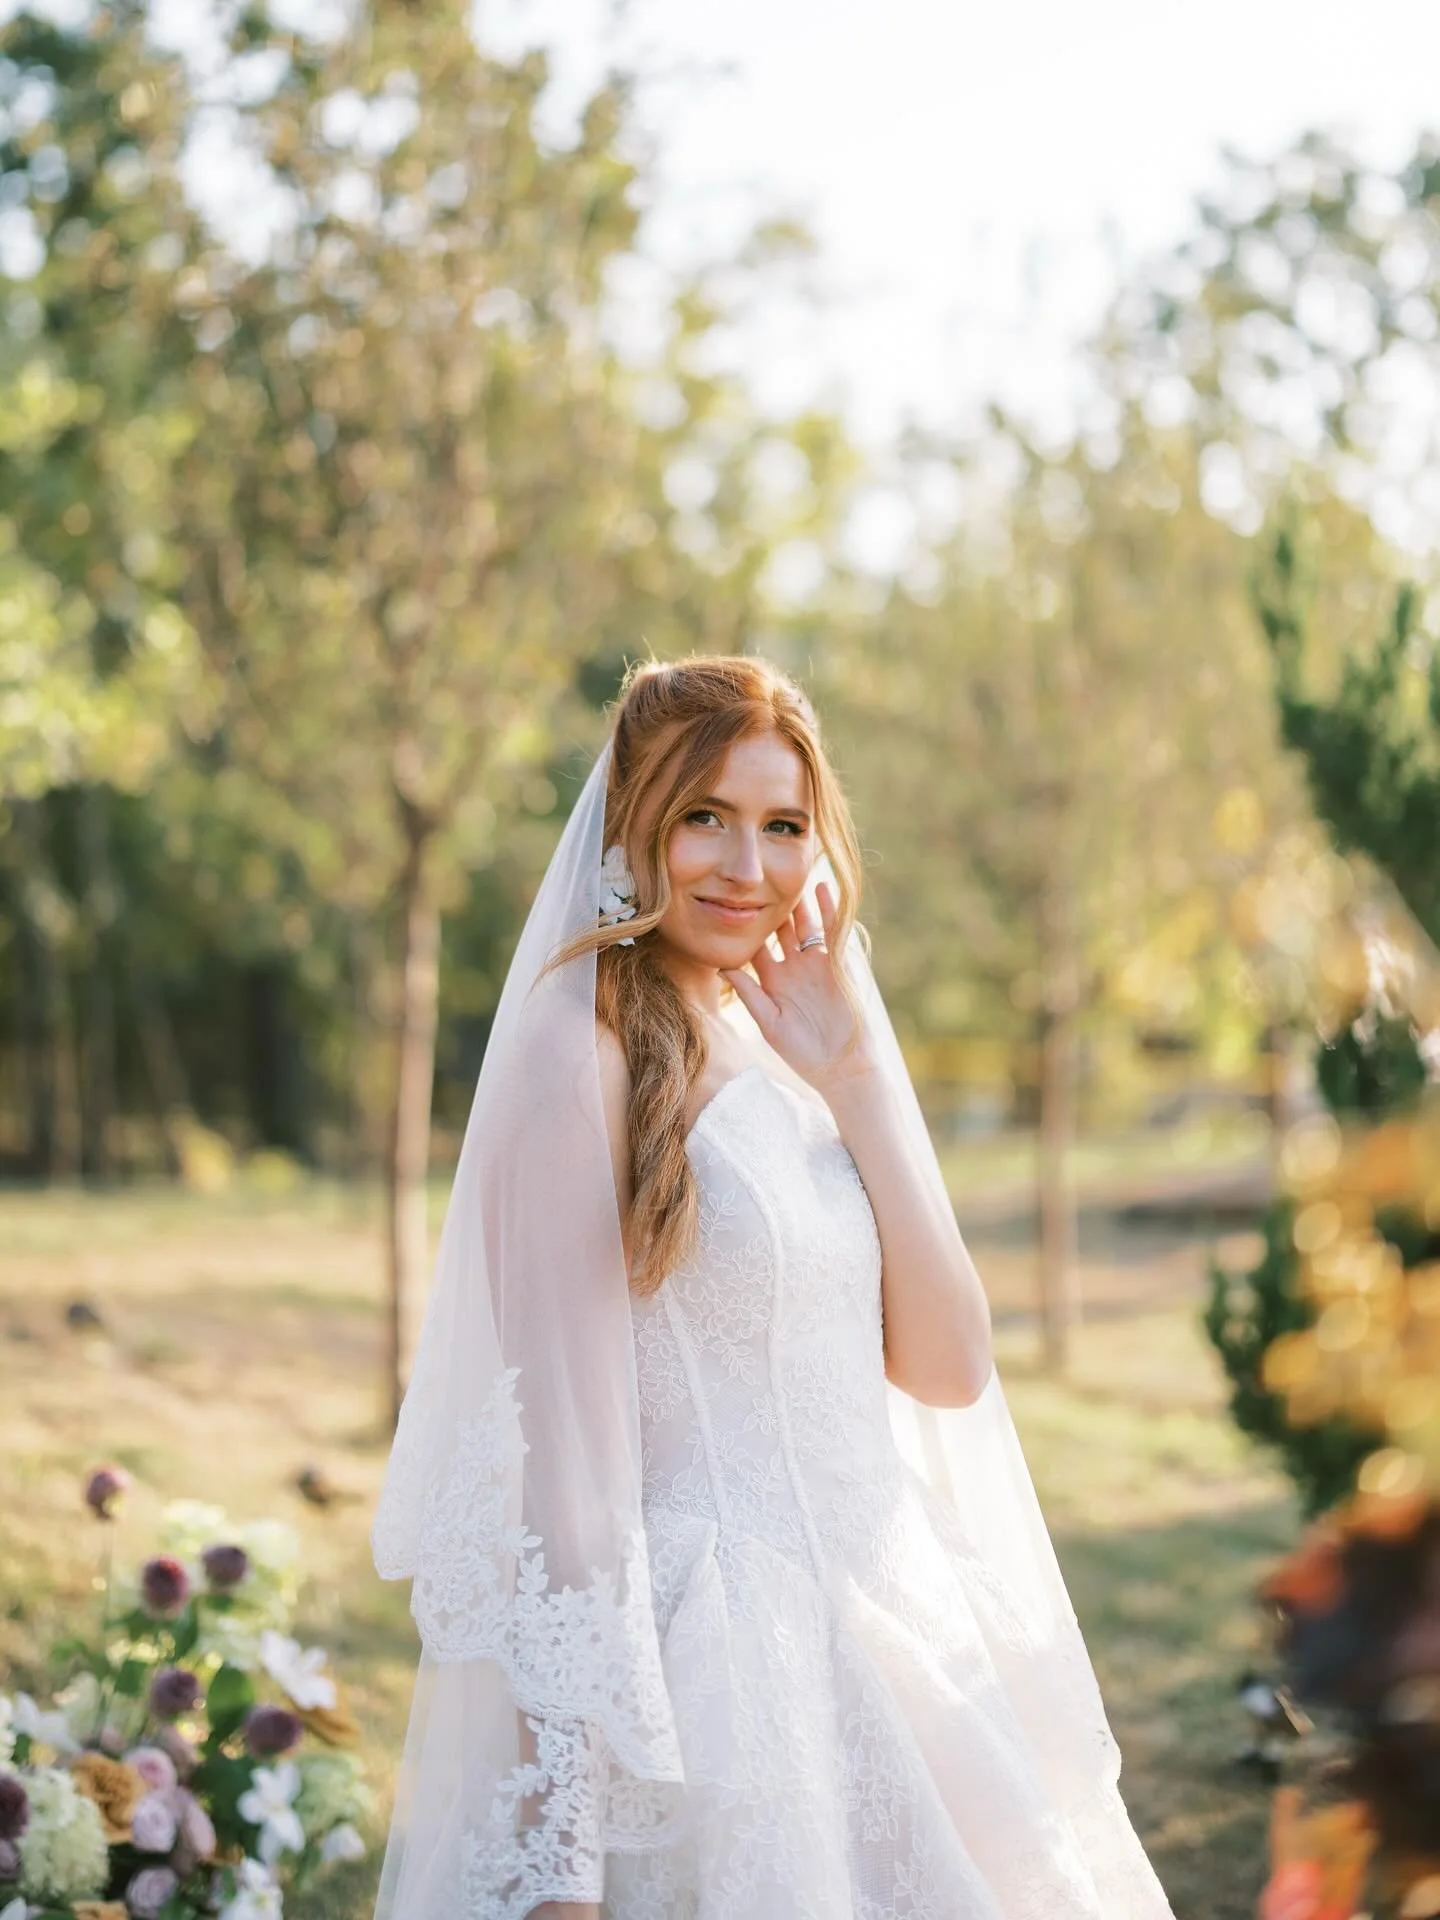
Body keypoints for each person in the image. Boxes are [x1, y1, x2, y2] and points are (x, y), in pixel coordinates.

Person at [371, 656, 1176, 1919]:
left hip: (894, 1628)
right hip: (726, 1680)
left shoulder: (801, 1031)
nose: (747, 866)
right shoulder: (569, 1057)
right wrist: (561, 1862)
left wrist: (855, 1078)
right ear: (634, 824)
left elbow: (950, 1363)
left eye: (782, 825)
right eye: (705, 816)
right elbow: (568, 1486)